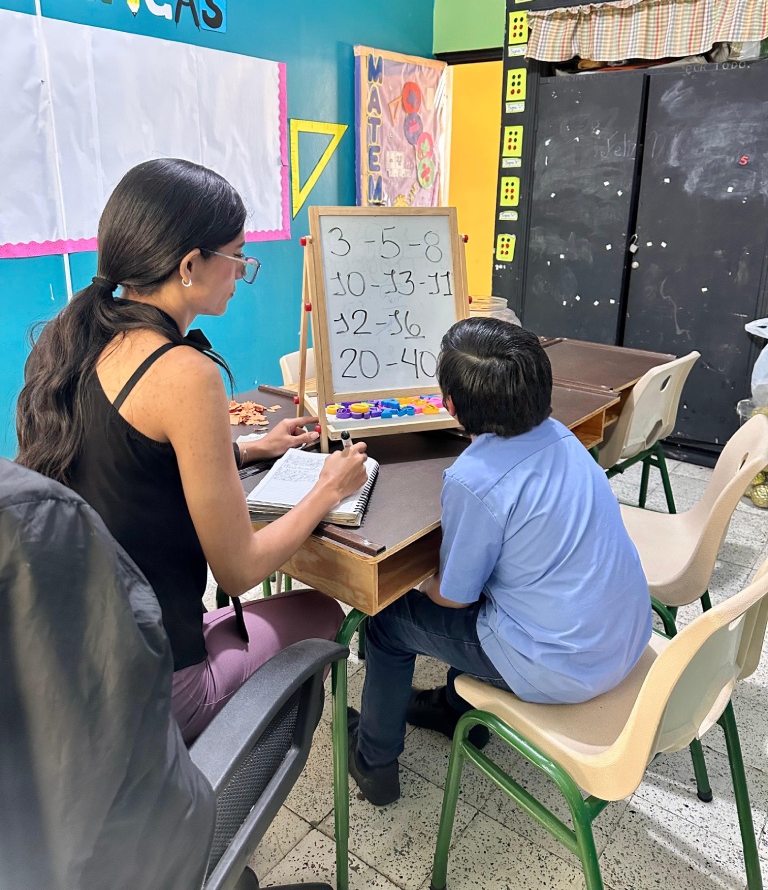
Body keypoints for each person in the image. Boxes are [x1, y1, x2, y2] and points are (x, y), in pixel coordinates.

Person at [16, 157, 366, 744]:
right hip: (155, 688)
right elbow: (241, 567)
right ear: (188, 265)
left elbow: (127, 466)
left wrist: (250, 448)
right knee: (323, 610)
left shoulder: (68, 340)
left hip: (82, 661)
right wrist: (328, 488)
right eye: (237, 257)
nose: (242, 271)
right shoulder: (185, 373)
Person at [347, 318, 652, 806]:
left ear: (448, 404)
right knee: (500, 584)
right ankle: (452, 706)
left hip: (560, 664)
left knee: (386, 621)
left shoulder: (475, 479)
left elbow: (454, 596)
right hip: (623, 638)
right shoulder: (563, 436)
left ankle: (374, 762)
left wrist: (418, 584)